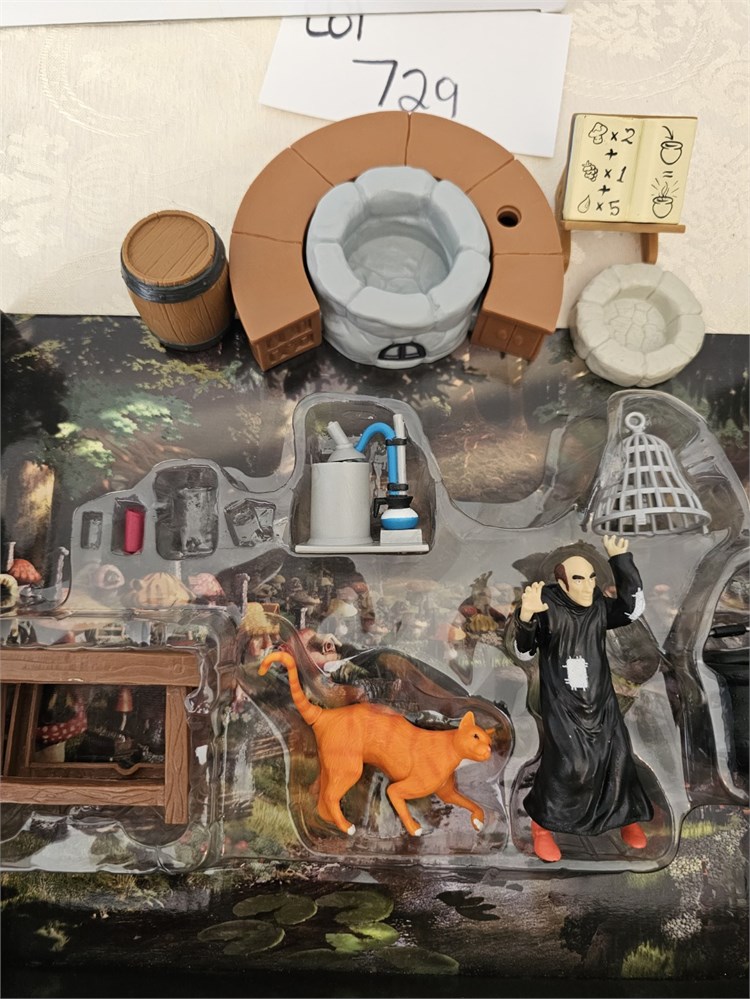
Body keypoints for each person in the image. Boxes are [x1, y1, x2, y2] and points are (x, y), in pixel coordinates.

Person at [513, 535, 653, 862]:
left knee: (618, 758)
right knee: (571, 764)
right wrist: (526, 617)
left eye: (591, 577)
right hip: (563, 703)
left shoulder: (599, 607)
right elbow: (523, 651)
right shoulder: (545, 605)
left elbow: (632, 610)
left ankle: (626, 818)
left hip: (601, 700)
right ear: (562, 582)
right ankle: (542, 826)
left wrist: (621, 561)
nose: (588, 585)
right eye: (579, 579)